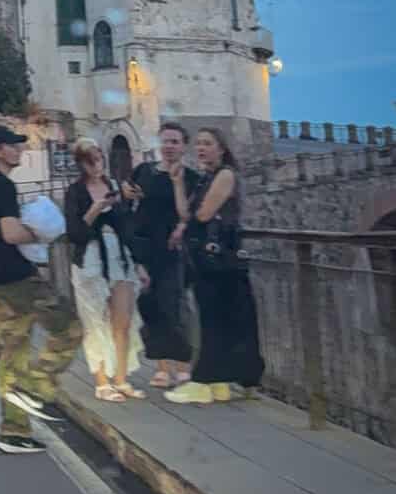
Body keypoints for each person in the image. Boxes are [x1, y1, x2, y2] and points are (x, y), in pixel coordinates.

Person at [0, 125, 83, 455]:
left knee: (14, 353)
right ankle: (35, 388)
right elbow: (9, 233)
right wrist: (41, 234)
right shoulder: (4, 185)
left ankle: (14, 431)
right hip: (19, 278)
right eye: (13, 146)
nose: (19, 150)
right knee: (70, 329)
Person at [165, 127, 264, 404]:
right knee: (214, 319)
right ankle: (219, 382)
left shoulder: (225, 175)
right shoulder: (206, 178)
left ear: (222, 149)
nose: (201, 148)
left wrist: (188, 221)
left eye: (207, 144)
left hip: (221, 260)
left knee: (218, 320)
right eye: (198, 144)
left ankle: (206, 380)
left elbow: (204, 214)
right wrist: (176, 183)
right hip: (207, 261)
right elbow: (185, 214)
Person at [63, 140, 148, 403]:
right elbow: (75, 233)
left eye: (99, 158)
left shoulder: (113, 185)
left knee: (122, 321)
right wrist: (94, 209)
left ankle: (121, 379)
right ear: (81, 163)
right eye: (90, 160)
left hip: (119, 257)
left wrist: (138, 262)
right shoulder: (75, 192)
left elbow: (126, 226)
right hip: (90, 259)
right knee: (95, 321)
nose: (97, 164)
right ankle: (102, 382)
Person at [125, 123, 198, 388]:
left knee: (175, 306)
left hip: (172, 250)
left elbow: (190, 215)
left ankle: (183, 364)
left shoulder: (189, 177)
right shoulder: (144, 171)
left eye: (175, 142)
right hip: (145, 249)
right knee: (151, 308)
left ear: (183, 146)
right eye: (166, 141)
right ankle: (161, 366)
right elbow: (128, 196)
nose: (169, 146)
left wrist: (181, 227)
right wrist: (127, 192)